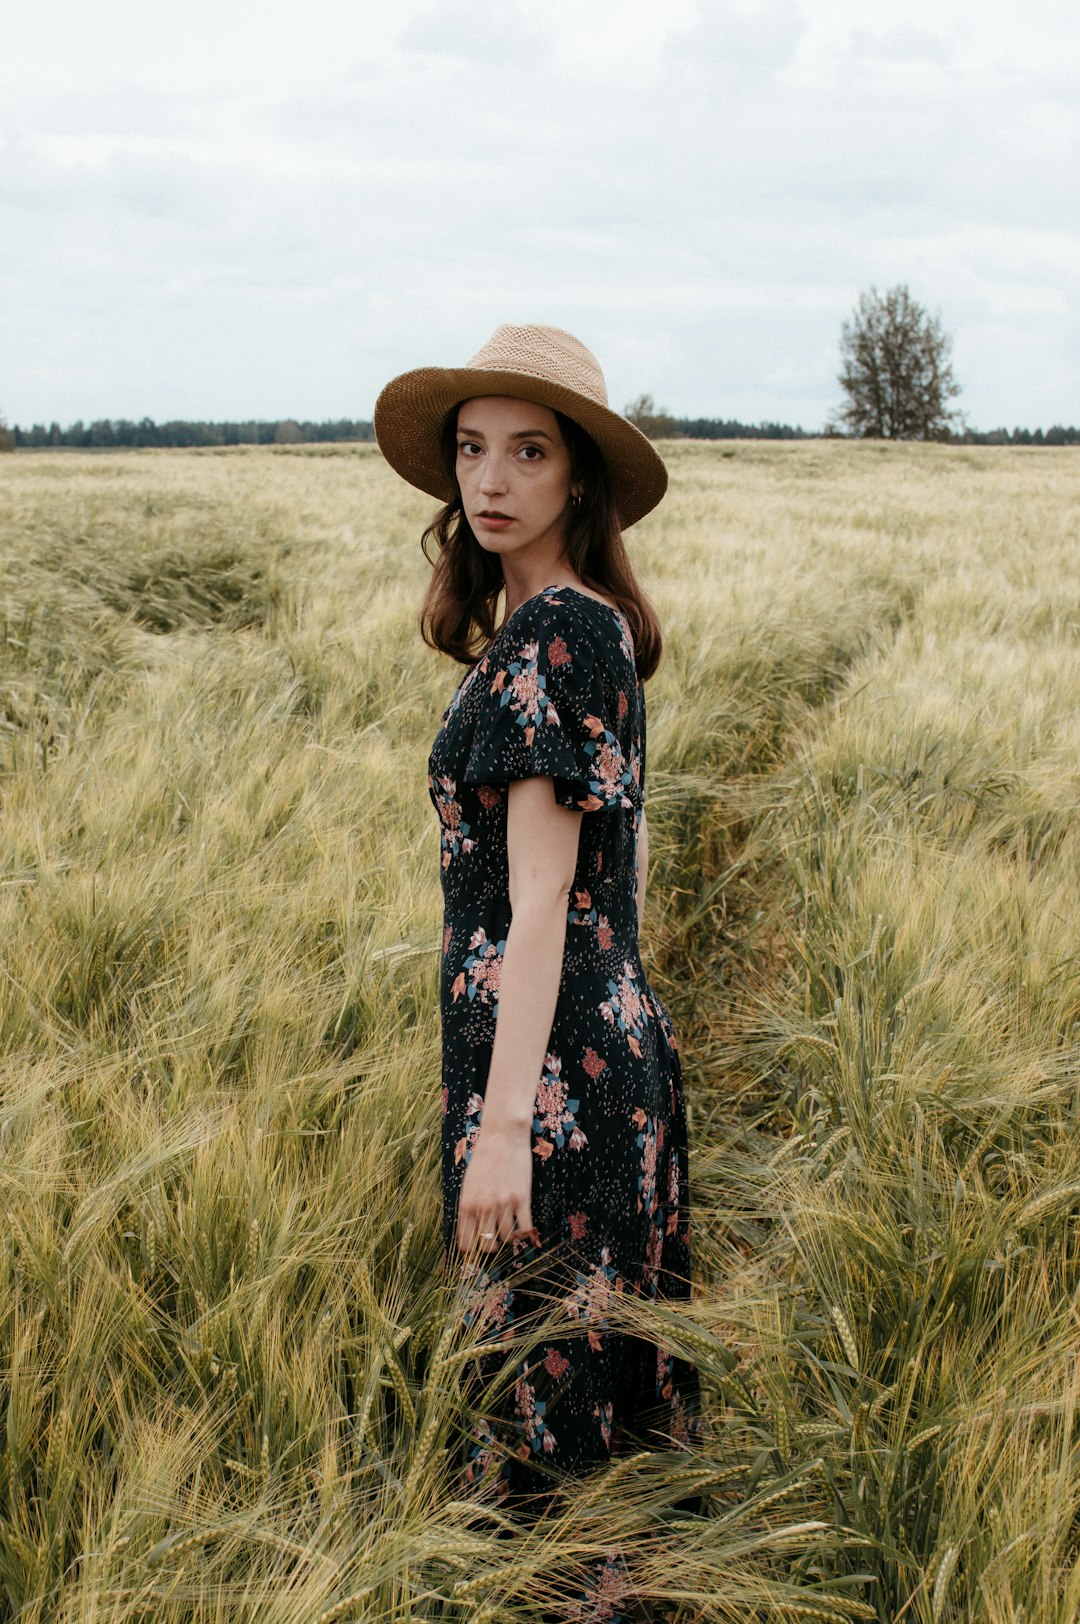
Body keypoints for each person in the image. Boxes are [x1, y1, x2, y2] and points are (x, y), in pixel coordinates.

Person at [374, 325, 700, 1526]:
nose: (492, 481)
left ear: (578, 477)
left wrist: (508, 1125)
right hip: (583, 1051)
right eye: (472, 450)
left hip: (548, 1077)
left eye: (528, 452)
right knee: (574, 1425)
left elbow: (540, 899)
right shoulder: (582, 622)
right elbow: (634, 854)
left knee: (545, 1444)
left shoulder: (560, 631)